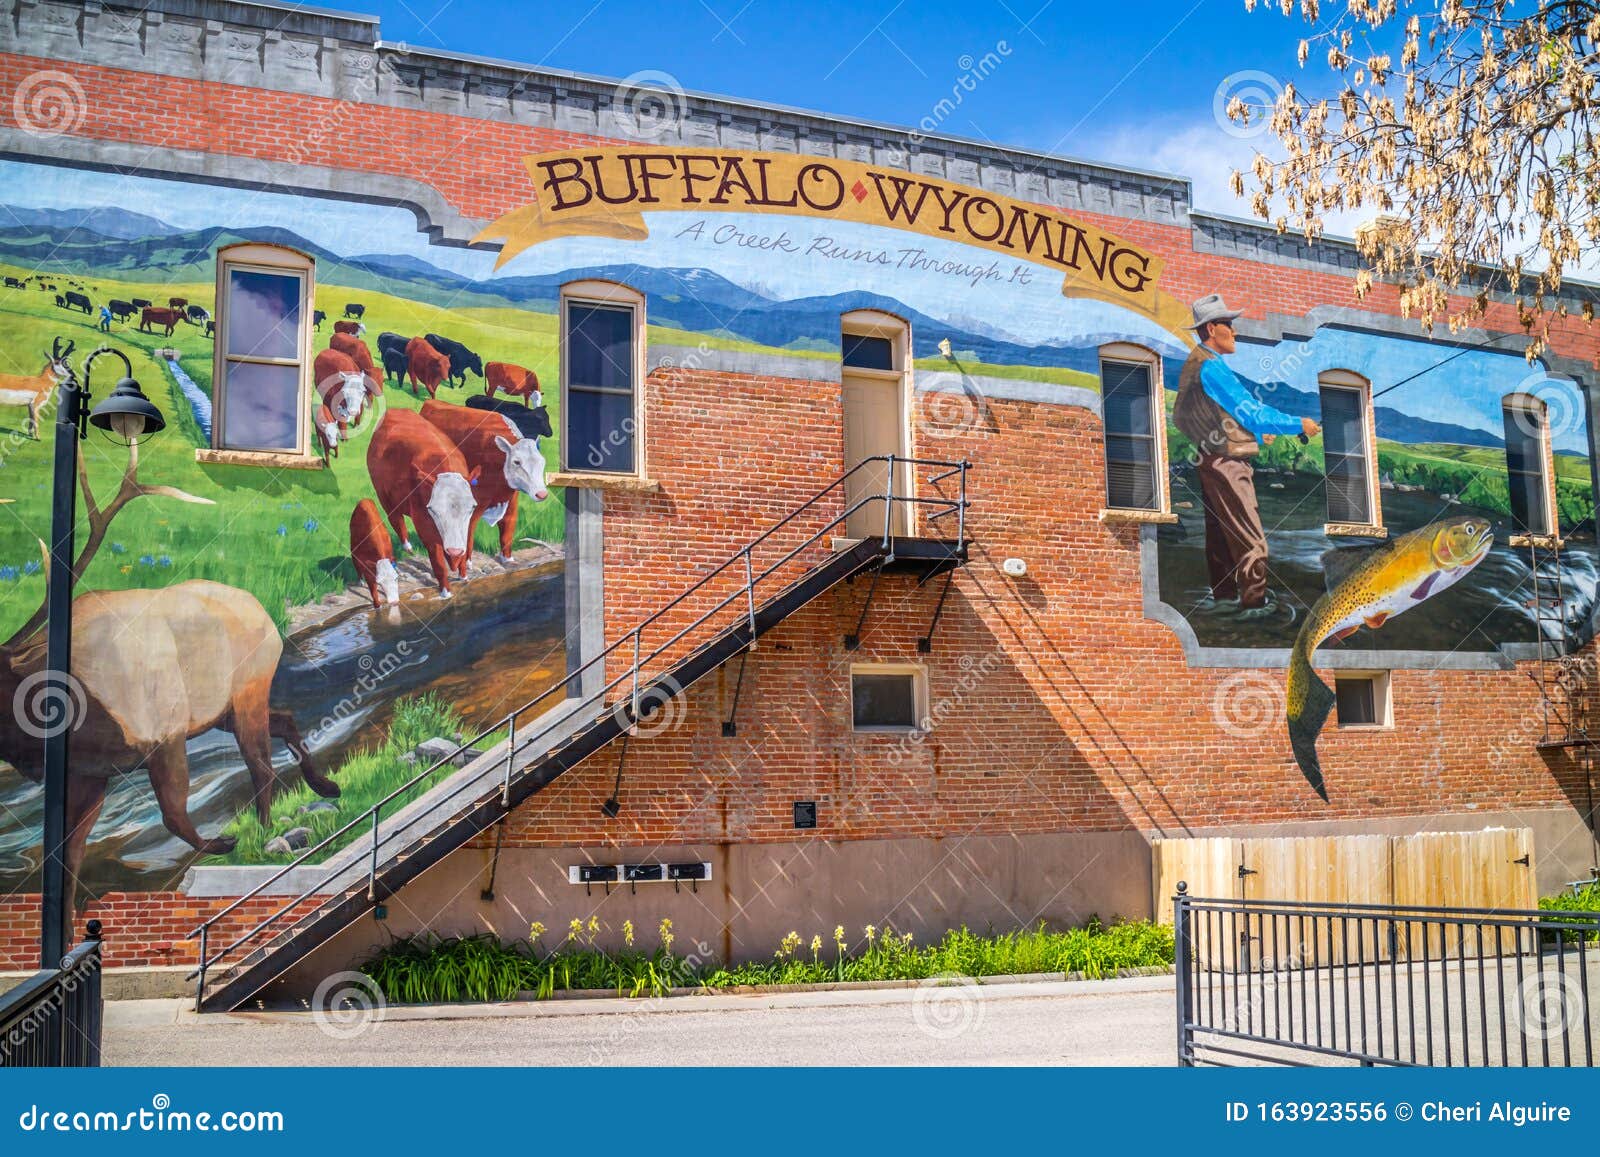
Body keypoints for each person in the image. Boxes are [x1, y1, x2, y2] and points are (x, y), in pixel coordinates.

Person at [1172, 294, 1320, 617]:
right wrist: (1299, 423)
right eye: (1230, 325)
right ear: (1212, 328)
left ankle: (1224, 605)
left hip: (1209, 461)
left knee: (1222, 541)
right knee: (1254, 543)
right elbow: (1251, 411)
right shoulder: (1212, 367)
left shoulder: (1196, 363)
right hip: (1228, 465)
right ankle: (1257, 611)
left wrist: (1248, 433)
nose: (1235, 332)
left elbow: (1198, 415)